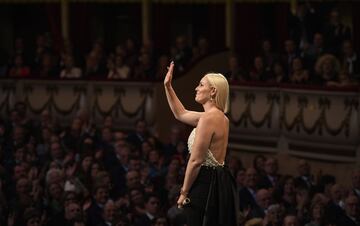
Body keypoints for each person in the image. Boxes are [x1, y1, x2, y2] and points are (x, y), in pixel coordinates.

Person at [164, 61, 238, 226]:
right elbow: (180, 113)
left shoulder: (208, 119)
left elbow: (196, 161)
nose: (196, 88)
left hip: (204, 183)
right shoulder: (220, 118)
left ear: (212, 91)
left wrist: (184, 192)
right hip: (217, 181)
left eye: (200, 84)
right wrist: (168, 86)